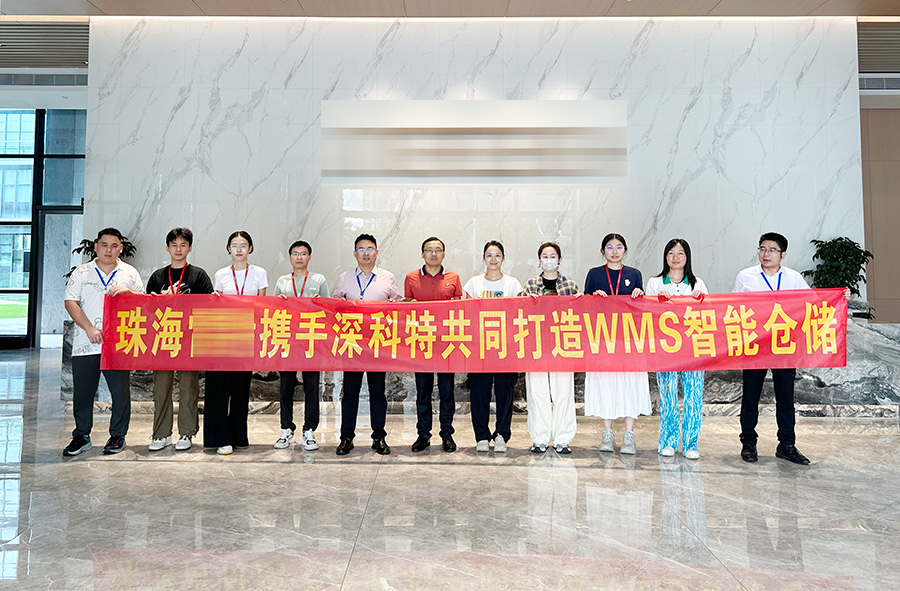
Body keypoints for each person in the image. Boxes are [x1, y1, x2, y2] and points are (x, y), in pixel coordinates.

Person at [734, 232, 821, 465]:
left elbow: (814, 302)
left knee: (785, 397)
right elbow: (733, 308)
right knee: (750, 396)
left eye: (772, 250)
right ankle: (748, 443)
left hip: (784, 346)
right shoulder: (745, 276)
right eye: (762, 249)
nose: (766, 254)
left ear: (783, 254)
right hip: (755, 345)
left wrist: (840, 297)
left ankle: (787, 445)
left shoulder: (793, 278)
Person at [63, 228, 144, 456]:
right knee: (83, 393)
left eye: (114, 245)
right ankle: (81, 435)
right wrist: (89, 328)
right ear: (96, 247)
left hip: (119, 344)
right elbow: (70, 302)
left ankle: (118, 435)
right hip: (86, 342)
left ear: (121, 248)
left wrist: (129, 292)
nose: (109, 250)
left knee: (120, 393)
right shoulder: (81, 272)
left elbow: (144, 301)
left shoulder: (129, 273)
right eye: (104, 245)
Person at [332, 233, 402, 456]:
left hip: (377, 343)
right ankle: (346, 438)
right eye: (361, 249)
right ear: (355, 253)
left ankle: (379, 437)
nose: (366, 253)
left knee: (377, 392)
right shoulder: (344, 278)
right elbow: (334, 305)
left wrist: (394, 305)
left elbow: (399, 305)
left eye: (370, 249)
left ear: (376, 252)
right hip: (352, 342)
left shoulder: (387, 277)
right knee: (350, 393)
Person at [145, 227, 214, 452]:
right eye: (174, 245)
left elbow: (209, 305)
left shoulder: (198, 275)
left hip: (189, 339)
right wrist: (157, 300)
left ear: (190, 248)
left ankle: (187, 432)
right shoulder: (157, 277)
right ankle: (161, 434)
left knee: (188, 388)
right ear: (167, 248)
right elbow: (146, 309)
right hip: (163, 338)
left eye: (183, 245)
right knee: (161, 388)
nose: (178, 249)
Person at [583, 233, 649, 455]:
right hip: (603, 339)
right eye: (609, 247)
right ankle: (607, 433)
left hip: (629, 339)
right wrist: (593, 297)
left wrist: (640, 294)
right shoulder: (594, 274)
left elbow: (641, 309)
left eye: (619, 247)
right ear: (603, 251)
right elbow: (584, 305)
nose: (614, 251)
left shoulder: (634, 274)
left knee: (630, 383)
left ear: (625, 250)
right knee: (606, 383)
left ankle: (629, 435)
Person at [644, 238, 708, 460]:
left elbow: (709, 315)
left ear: (687, 257)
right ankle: (668, 442)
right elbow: (646, 313)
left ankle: (691, 444)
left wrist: (701, 301)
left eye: (680, 253)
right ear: (665, 257)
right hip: (666, 349)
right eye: (671, 253)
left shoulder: (697, 283)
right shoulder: (655, 283)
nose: (675, 258)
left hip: (693, 349)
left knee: (693, 398)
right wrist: (656, 302)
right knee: (668, 397)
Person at [205, 231, 267, 456]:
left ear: (250, 248)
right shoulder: (221, 274)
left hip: (247, 335)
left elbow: (262, 305)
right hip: (223, 336)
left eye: (243, 245)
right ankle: (222, 438)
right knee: (221, 389)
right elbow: (216, 304)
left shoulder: (259, 273)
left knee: (241, 389)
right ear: (228, 249)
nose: (239, 249)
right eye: (234, 245)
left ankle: (239, 436)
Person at [463, 240, 523, 453]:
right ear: (484, 258)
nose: (493, 259)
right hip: (480, 348)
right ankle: (481, 435)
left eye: (497, 255)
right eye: (489, 255)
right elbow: (466, 315)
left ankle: (501, 435)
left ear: (503, 258)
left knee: (505, 393)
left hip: (506, 347)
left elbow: (519, 314)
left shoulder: (513, 284)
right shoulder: (474, 283)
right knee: (479, 393)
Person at [404, 236, 463, 453]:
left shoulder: (453, 278)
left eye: (438, 250)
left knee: (447, 392)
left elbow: (459, 309)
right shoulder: (411, 278)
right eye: (429, 250)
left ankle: (447, 434)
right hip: (421, 343)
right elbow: (406, 311)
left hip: (446, 344)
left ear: (443, 254)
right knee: (423, 393)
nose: (433, 254)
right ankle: (423, 435)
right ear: (422, 254)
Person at [521, 242, 580, 455]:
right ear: (539, 260)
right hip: (536, 345)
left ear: (560, 259)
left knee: (564, 392)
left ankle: (563, 438)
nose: (549, 260)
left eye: (553, 256)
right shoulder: (530, 285)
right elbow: (518, 313)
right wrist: (526, 302)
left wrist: (580, 302)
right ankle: (540, 438)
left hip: (563, 345)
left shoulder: (570, 285)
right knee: (537, 392)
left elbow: (580, 314)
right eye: (545, 256)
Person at [272, 240, 330, 451]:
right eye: (295, 253)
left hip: (310, 340)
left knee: (311, 387)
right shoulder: (282, 281)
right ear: (290, 257)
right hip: (287, 339)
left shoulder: (319, 280)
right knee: (286, 387)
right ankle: (286, 429)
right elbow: (273, 310)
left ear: (309, 257)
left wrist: (320, 302)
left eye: (303, 253)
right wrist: (278, 301)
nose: (299, 257)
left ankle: (309, 430)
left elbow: (329, 310)